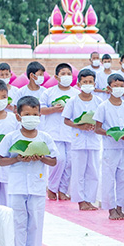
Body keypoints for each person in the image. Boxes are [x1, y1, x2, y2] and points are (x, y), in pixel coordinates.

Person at [0, 96, 58, 246]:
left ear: (40, 115)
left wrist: (42, 157)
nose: (31, 118)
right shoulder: (11, 137)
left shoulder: (45, 137)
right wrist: (17, 158)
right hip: (17, 186)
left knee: (35, 223)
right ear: (18, 116)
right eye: (27, 114)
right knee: (19, 222)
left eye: (34, 114)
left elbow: (53, 161)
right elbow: (1, 160)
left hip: (37, 187)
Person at [93, 73, 124, 220]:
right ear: (109, 88)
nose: (119, 89)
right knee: (109, 178)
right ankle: (111, 209)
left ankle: (120, 207)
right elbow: (97, 128)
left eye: (121, 86)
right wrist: (112, 134)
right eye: (116, 86)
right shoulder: (103, 107)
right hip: (110, 148)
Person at [63, 69, 102, 211]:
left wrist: (94, 125)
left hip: (93, 140)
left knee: (93, 171)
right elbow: (66, 120)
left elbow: (102, 120)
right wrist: (79, 125)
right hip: (78, 140)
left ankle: (90, 199)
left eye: (90, 82)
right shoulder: (73, 101)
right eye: (84, 82)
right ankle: (80, 200)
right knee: (79, 172)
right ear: (79, 83)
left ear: (94, 83)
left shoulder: (98, 101)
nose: (87, 84)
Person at [40, 63, 78, 201]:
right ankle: (51, 187)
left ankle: (62, 190)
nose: (66, 76)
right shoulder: (49, 92)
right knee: (59, 159)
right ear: (56, 76)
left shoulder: (76, 93)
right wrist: (54, 109)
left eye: (69, 74)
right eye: (63, 74)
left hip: (71, 131)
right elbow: (40, 109)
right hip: (54, 131)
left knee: (69, 162)